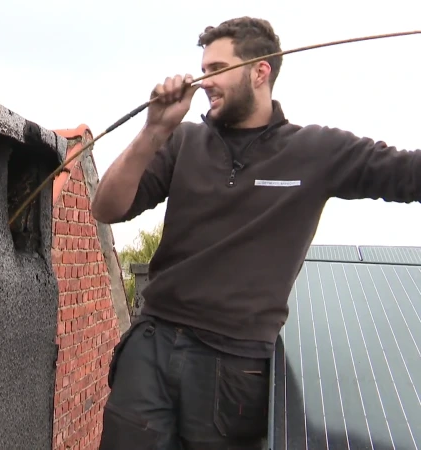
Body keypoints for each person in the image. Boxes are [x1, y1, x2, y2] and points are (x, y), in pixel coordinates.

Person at [92, 16, 421, 450]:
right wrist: (155, 130)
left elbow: (409, 174)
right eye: (202, 69)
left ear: (259, 71)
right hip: (150, 348)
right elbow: (107, 207)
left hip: (233, 366)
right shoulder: (182, 141)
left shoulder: (316, 151)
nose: (203, 81)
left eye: (216, 69)